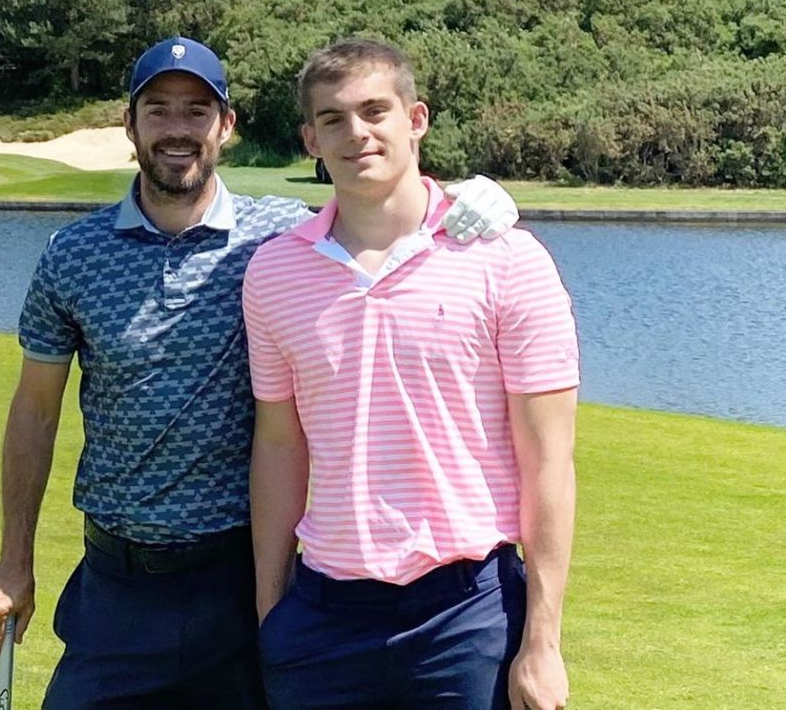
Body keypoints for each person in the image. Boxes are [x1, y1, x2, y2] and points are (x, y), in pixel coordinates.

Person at [0, 36, 520, 710]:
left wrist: (479, 195)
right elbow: (35, 410)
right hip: (118, 587)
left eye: (197, 111)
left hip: (241, 580)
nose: (178, 128)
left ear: (226, 127)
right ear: (130, 125)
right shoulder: (73, 255)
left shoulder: (280, 241)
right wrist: (14, 557)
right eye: (159, 110)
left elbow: (380, 208)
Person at [243, 39, 580, 710]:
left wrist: (542, 641)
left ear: (416, 118)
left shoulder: (506, 257)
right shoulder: (273, 272)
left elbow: (549, 458)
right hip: (321, 613)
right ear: (310, 137)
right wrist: (270, 613)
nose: (356, 132)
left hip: (466, 615)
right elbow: (280, 445)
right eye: (332, 118)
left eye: (375, 110)